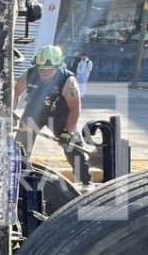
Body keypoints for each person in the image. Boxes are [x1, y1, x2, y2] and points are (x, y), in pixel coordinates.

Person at [13, 44, 93, 187]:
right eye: (41, 69)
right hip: (35, 111)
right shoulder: (29, 74)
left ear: (57, 66)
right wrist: (11, 113)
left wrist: (67, 134)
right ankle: (18, 176)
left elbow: (75, 109)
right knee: (21, 143)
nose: (44, 73)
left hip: (60, 114)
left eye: (49, 70)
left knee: (71, 146)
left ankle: (86, 181)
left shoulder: (68, 81)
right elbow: (15, 92)